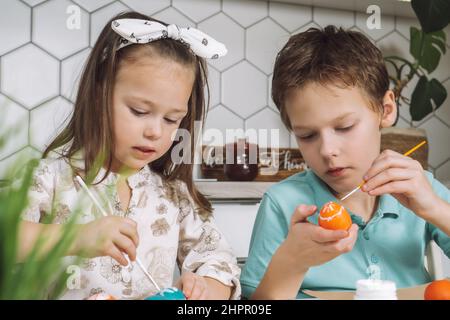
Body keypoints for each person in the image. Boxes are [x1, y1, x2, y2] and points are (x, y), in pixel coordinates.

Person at [19, 11, 240, 300]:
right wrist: (75, 237)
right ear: (99, 95)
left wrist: (203, 290)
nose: (155, 132)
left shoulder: (175, 196)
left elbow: (220, 264)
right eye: (139, 111)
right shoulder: (48, 179)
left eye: (172, 119)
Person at [240, 26, 450, 299]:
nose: (327, 150)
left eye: (345, 127)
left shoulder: (418, 186)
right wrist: (291, 262)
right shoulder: (283, 203)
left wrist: (435, 209)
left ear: (386, 110)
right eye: (307, 135)